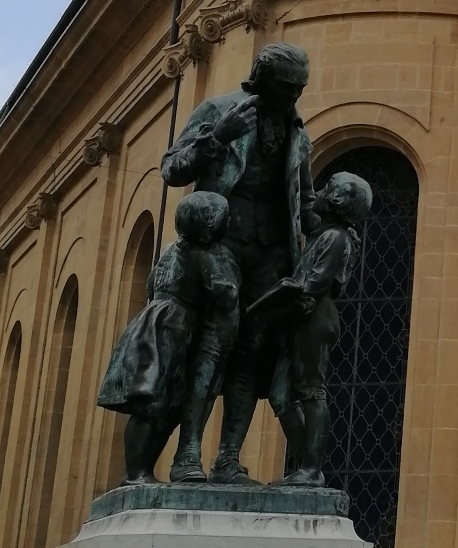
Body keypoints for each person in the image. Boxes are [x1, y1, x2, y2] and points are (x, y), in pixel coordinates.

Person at [160, 42, 315, 481]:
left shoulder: (297, 130)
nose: (293, 97)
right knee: (216, 340)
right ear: (261, 79)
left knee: (252, 351)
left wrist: (338, 220)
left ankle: (228, 456)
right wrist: (217, 139)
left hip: (271, 252)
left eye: (299, 89)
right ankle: (188, 451)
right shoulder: (220, 110)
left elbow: (303, 200)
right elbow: (172, 169)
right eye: (286, 87)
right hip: (221, 240)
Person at [97, 191, 240, 483]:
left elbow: (151, 286)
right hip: (171, 331)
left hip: (151, 324)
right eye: (224, 217)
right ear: (209, 225)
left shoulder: (169, 250)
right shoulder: (200, 255)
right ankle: (137, 473)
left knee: (155, 404)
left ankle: (138, 472)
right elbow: (223, 294)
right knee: (155, 405)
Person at [249, 171, 372, 485]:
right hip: (303, 317)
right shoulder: (327, 232)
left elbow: (311, 285)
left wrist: (267, 308)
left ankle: (311, 470)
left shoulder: (334, 237)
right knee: (280, 395)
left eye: (327, 188)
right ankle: (308, 465)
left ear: (336, 200)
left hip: (313, 316)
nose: (319, 191)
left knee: (312, 391)